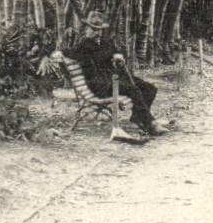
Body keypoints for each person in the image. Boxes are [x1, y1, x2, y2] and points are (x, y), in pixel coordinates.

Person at [56, 10, 167, 142]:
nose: (97, 33)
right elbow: (67, 52)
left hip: (114, 78)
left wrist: (118, 56)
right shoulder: (83, 45)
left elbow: (115, 52)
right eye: (93, 29)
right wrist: (57, 54)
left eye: (99, 30)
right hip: (99, 84)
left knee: (149, 88)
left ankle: (138, 116)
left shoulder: (106, 43)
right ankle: (149, 123)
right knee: (133, 89)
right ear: (87, 29)